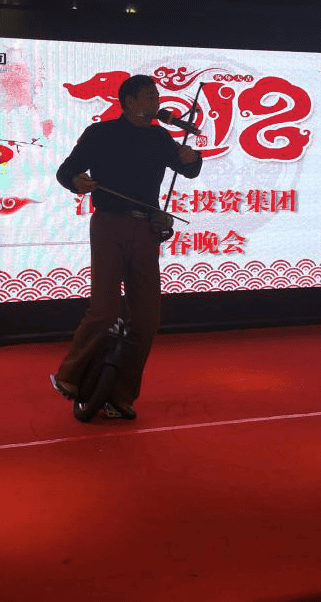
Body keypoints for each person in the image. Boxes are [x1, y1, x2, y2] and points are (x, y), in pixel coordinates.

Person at [51, 74, 202, 420]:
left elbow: (189, 170)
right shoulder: (101, 133)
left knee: (146, 318)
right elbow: (66, 171)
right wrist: (76, 181)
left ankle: (120, 395)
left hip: (146, 228)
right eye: (149, 97)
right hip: (110, 225)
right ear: (129, 101)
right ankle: (68, 376)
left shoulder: (159, 136)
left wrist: (190, 157)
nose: (157, 102)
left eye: (157, 97)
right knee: (104, 310)